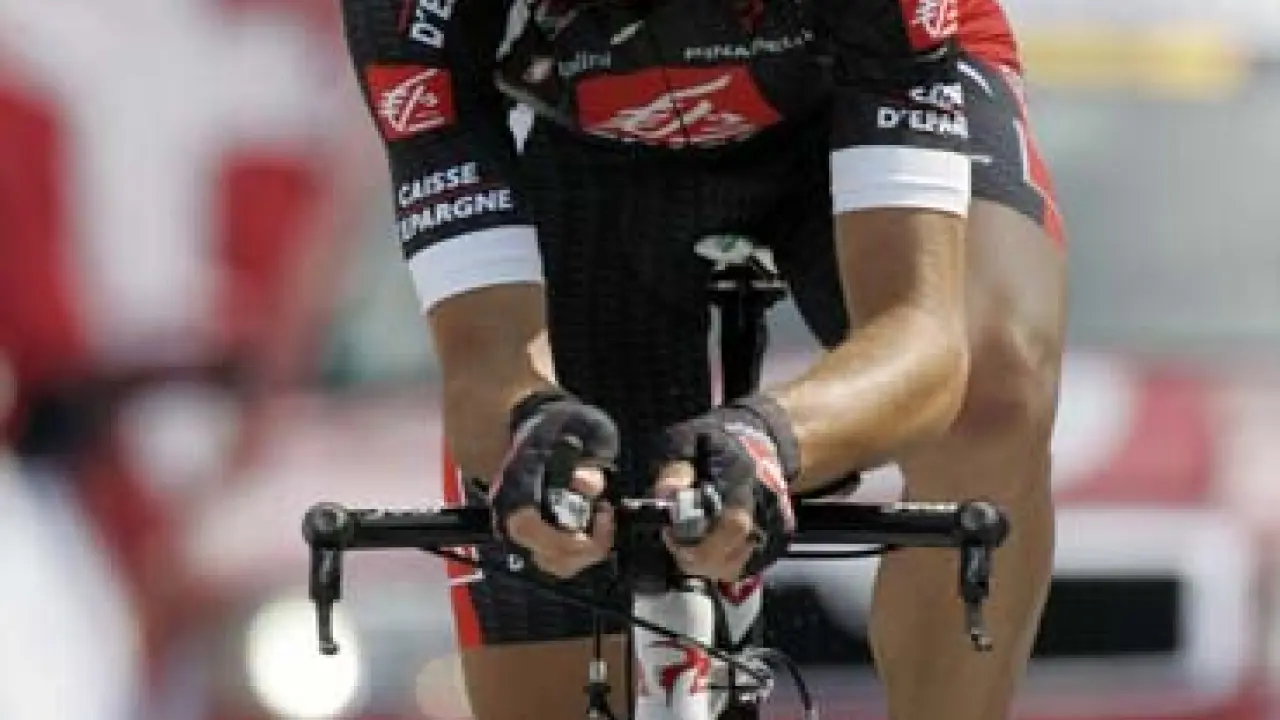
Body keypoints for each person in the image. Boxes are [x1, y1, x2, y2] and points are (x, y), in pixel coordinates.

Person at [338, 0, 1065, 717]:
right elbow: (484, 361)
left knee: (994, 387)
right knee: (542, 569)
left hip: (840, 94)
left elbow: (922, 337)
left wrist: (770, 440)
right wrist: (534, 431)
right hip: (581, 146)